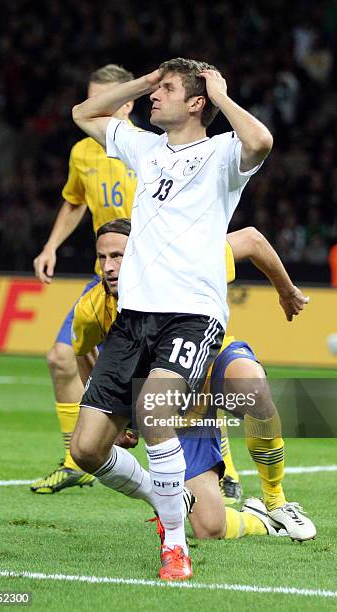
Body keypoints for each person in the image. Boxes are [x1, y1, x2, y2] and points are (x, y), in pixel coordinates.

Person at [70, 57, 274, 580]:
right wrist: (144, 80)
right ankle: (171, 504)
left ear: (197, 101)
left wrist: (223, 95)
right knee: (88, 448)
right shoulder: (145, 146)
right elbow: (82, 113)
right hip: (134, 317)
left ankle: (176, 549)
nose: (152, 97)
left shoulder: (221, 152)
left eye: (165, 90)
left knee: (156, 411)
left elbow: (262, 141)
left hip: (191, 314)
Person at [71, 218, 315, 544]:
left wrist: (286, 291)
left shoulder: (183, 263)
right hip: (177, 411)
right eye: (102, 258)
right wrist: (109, 414)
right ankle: (262, 521)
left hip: (211, 366)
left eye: (118, 256)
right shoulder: (93, 308)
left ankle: (276, 500)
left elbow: (253, 240)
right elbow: (82, 351)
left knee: (250, 383)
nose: (109, 267)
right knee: (209, 528)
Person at [30, 65, 137, 494]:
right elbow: (74, 202)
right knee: (61, 356)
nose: (94, 110)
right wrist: (51, 245)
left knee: (188, 376)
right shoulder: (81, 153)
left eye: (105, 101)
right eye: (89, 100)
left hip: (155, 280)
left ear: (128, 103)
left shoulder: (150, 148)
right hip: (106, 278)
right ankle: (76, 458)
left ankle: (223, 472)